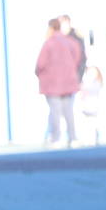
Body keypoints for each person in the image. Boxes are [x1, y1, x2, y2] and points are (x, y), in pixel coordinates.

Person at [35, 17, 80, 148]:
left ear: (51, 28)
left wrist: (40, 74)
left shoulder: (49, 43)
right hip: (69, 82)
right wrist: (70, 71)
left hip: (52, 83)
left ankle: (56, 138)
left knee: (55, 111)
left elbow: (40, 64)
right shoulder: (70, 42)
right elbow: (77, 58)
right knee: (68, 112)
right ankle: (73, 138)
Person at [78, 65, 103, 146]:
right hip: (85, 107)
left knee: (93, 124)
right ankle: (86, 140)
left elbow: (91, 90)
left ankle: (94, 140)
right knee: (86, 124)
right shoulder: (85, 82)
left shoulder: (97, 83)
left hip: (93, 107)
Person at [61, 14, 87, 81]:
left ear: (69, 23)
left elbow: (82, 58)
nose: (62, 26)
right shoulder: (57, 38)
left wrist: (78, 77)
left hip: (74, 78)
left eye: (64, 23)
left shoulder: (77, 37)